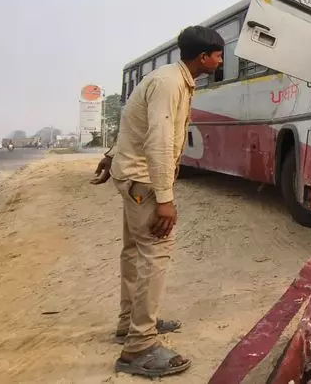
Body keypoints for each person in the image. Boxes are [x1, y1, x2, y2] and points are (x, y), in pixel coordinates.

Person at [91, 25, 223, 378]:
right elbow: (159, 141)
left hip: (132, 174)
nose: (221, 61)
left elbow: (132, 122)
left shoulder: (168, 77)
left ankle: (128, 322)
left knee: (135, 250)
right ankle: (139, 346)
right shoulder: (170, 83)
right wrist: (165, 199)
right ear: (203, 57)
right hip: (143, 180)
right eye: (219, 55)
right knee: (155, 251)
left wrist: (111, 155)